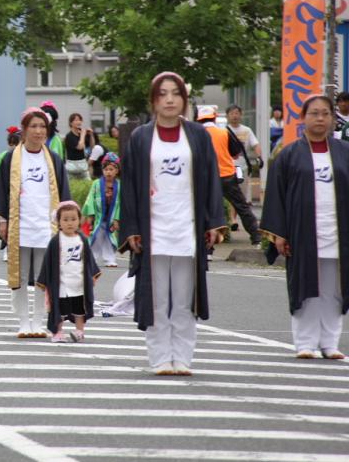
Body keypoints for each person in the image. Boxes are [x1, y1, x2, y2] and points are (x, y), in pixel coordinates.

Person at [119, 72, 225, 376]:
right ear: (153, 100)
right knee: (157, 299)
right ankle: (160, 358)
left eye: (175, 93)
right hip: (153, 230)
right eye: (162, 94)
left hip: (187, 229)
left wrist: (214, 222)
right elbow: (129, 188)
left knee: (184, 300)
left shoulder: (198, 136)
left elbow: (212, 180)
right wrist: (132, 228)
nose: (169, 99)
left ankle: (183, 358)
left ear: (184, 99)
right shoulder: (141, 138)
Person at [260, 94, 348, 360]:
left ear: (332, 118)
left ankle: (330, 343)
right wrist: (279, 233)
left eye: (325, 114)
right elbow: (276, 196)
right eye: (314, 113)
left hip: (338, 232)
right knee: (306, 287)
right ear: (302, 118)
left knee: (334, 290)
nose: (320, 118)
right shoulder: (288, 155)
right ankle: (305, 343)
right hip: (303, 232)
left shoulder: (344, 153)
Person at [0, 107, 71, 338]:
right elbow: (1, 191)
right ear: (24, 130)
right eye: (33, 126)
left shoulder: (54, 159)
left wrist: (66, 223)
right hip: (20, 226)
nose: (38, 131)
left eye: (42, 126)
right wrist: (3, 221)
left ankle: (38, 322)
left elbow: (64, 193)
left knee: (43, 278)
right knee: (21, 276)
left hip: (46, 226)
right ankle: (24, 321)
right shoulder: (10, 159)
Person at [197, 105, 262, 247]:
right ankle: (256, 236)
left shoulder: (195, 135)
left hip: (206, 177)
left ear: (198, 120)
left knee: (202, 208)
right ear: (214, 118)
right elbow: (236, 153)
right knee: (241, 206)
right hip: (226, 175)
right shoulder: (224, 132)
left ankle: (205, 240)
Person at [37, 201, 99, 343]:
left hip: (79, 282)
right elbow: (47, 262)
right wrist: (44, 280)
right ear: (58, 222)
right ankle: (58, 332)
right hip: (62, 283)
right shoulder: (56, 241)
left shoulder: (82, 239)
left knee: (80, 309)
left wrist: (92, 276)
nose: (70, 223)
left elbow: (89, 260)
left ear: (79, 220)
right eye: (65, 220)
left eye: (73, 219)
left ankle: (79, 331)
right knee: (60, 309)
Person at [82, 152, 121, 268]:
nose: (108, 172)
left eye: (111, 169)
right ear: (102, 170)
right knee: (97, 237)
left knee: (109, 238)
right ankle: (92, 258)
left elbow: (120, 204)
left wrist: (117, 219)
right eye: (106, 169)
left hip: (111, 217)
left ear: (116, 171)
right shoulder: (96, 184)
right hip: (99, 216)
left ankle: (110, 259)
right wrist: (90, 215)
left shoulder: (119, 186)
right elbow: (90, 199)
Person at [0, 126, 22, 261]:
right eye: (12, 144)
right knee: (5, 222)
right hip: (6, 193)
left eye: (17, 143)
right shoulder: (4, 157)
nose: (14, 147)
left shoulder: (21, 156)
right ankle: (7, 247)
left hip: (18, 194)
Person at [64, 113, 89, 179]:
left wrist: (91, 135)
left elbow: (91, 146)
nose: (79, 122)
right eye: (76, 120)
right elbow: (80, 147)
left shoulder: (81, 134)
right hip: (72, 166)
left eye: (80, 120)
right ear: (71, 123)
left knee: (88, 182)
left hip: (82, 164)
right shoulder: (69, 136)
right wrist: (83, 135)